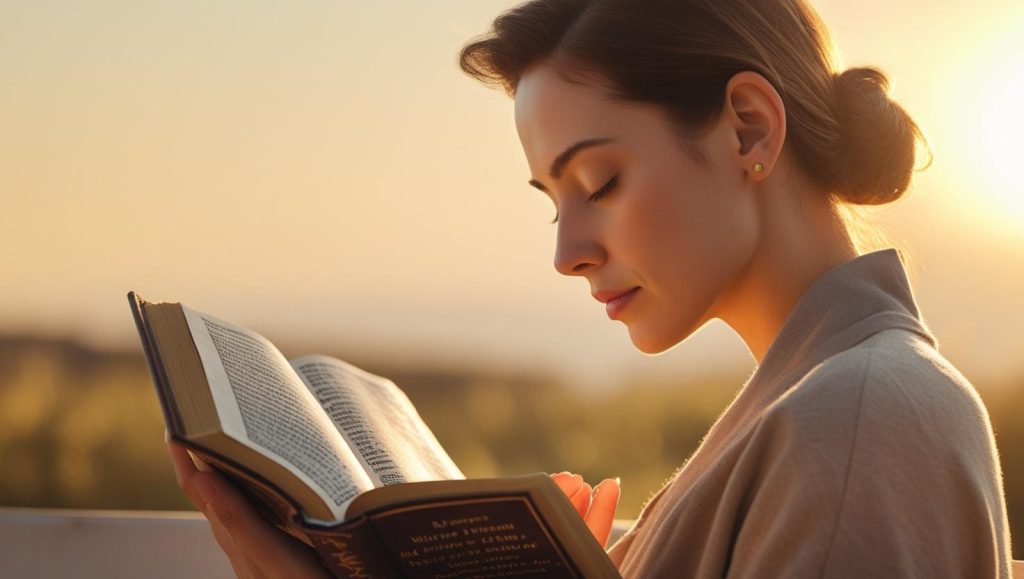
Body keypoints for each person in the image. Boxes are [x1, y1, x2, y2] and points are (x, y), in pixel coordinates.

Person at [168, 0, 1014, 576]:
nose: (567, 252)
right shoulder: (811, 407)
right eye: (553, 201)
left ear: (748, 130)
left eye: (600, 182)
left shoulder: (857, 417)